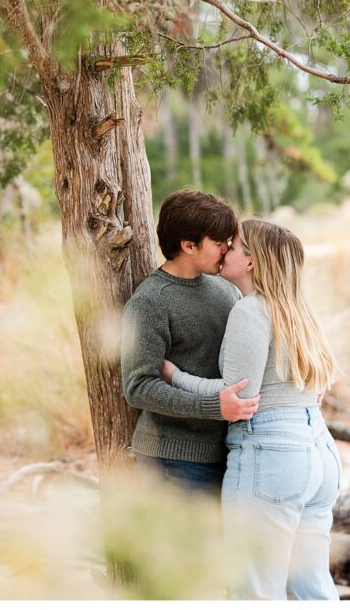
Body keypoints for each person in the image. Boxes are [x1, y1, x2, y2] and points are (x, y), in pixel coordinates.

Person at [162, 219, 341, 599]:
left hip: (272, 457)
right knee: (312, 588)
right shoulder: (299, 312)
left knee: (254, 591)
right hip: (320, 453)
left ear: (252, 263)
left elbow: (237, 397)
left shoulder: (251, 311)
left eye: (235, 244)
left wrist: (175, 375)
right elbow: (317, 386)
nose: (225, 247)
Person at [121, 189, 260, 495]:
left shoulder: (225, 289)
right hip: (173, 460)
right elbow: (138, 386)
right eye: (218, 242)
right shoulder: (150, 302)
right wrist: (212, 406)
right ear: (188, 245)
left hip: (227, 451)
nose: (227, 248)